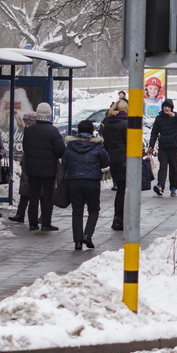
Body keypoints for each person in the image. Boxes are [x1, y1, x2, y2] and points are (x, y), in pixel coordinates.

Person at [62, 119, 111, 250]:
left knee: (77, 211)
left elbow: (64, 163)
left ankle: (77, 242)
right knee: (94, 210)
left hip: (74, 182)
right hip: (92, 182)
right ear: (91, 131)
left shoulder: (70, 145)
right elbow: (106, 162)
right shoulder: (97, 146)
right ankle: (87, 235)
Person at [22, 102, 66, 231]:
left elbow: (26, 148)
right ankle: (46, 223)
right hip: (49, 169)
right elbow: (60, 150)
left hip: (32, 169)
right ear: (49, 115)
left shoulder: (30, 130)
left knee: (33, 195)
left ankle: (32, 223)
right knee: (47, 196)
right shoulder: (53, 131)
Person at [148, 98, 177, 197]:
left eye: (168, 107)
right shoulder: (159, 118)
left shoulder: (176, 117)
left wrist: (175, 115)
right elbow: (154, 132)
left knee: (173, 167)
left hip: (173, 146)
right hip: (163, 146)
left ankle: (173, 188)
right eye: (165, 106)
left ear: (171, 108)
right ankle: (160, 186)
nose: (166, 108)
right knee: (162, 166)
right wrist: (151, 145)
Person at [101, 99, 128, 230]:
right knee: (125, 190)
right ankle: (122, 219)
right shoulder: (125, 123)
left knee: (120, 190)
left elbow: (105, 144)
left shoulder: (108, 123)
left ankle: (118, 218)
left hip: (114, 161)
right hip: (125, 160)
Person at [9, 111, 37, 222]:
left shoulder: (34, 131)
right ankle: (20, 214)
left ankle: (36, 217)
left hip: (33, 163)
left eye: (26, 122)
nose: (25, 124)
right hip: (27, 162)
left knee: (36, 191)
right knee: (25, 189)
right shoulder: (28, 130)